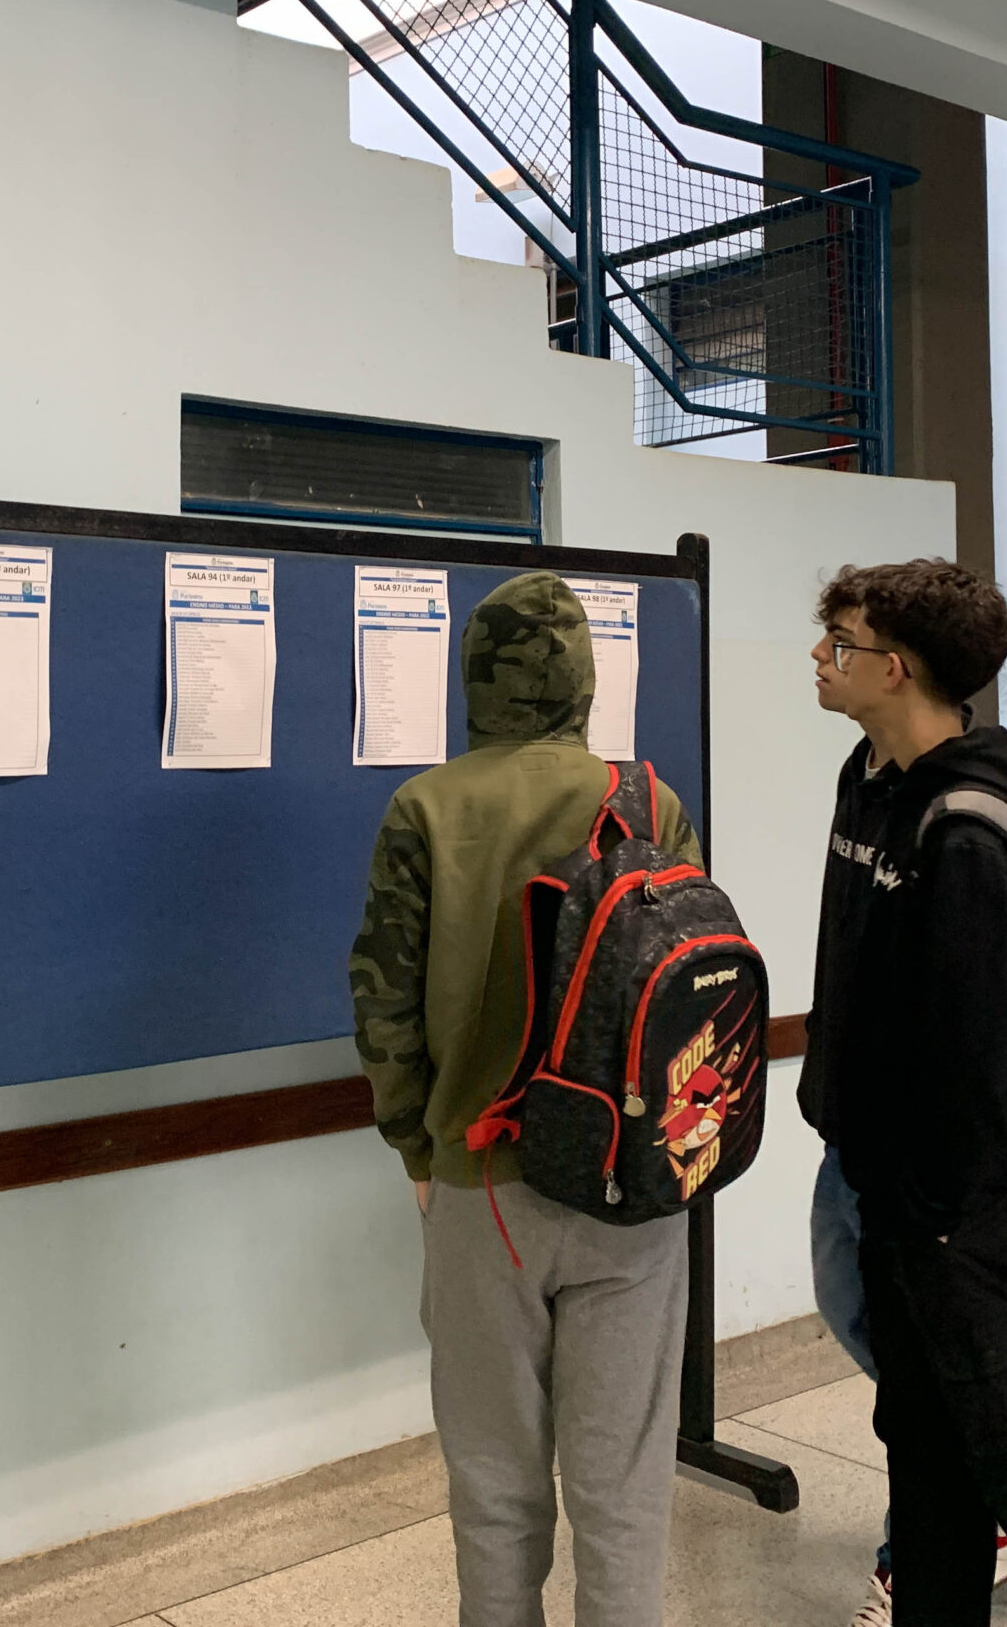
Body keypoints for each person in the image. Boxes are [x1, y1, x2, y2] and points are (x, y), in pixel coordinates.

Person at [349, 571, 704, 1627]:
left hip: (482, 1188)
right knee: (624, 1488)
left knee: (495, 1482)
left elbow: (384, 1001)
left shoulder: (425, 807)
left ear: (475, 679)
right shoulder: (647, 801)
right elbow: (686, 993)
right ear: (585, 680)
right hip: (631, 1188)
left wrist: (417, 1150)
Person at [800, 559, 1007, 1627]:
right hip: (886, 1190)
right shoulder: (868, 779)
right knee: (926, 1463)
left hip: (961, 1216)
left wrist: (934, 1212)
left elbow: (982, 1057)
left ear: (894, 669)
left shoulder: (971, 832)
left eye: (840, 643)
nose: (819, 658)